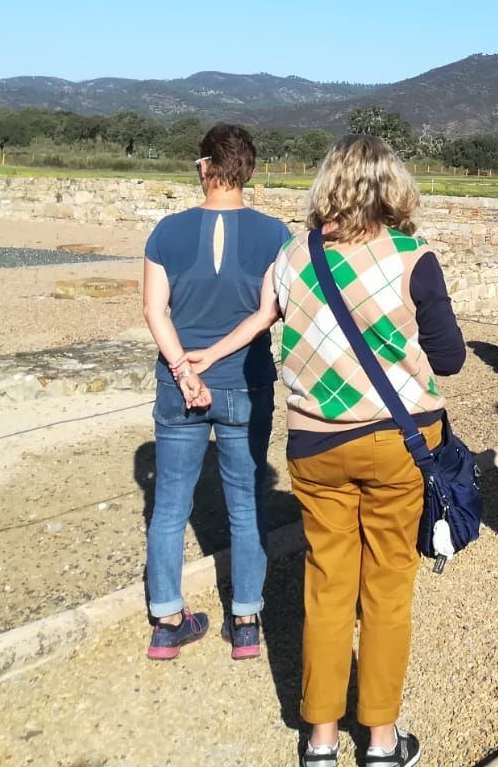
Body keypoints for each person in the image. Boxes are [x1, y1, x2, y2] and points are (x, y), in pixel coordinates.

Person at [273, 135, 466, 767]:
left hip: (314, 443)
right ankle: (382, 741)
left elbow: (268, 322)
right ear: (396, 188)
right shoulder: (414, 257)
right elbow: (451, 360)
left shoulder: (293, 255)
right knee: (386, 591)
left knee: (327, 588)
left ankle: (320, 740)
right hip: (397, 443)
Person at [141, 123, 289, 660]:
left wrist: (184, 367)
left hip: (177, 388)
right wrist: (218, 354)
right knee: (246, 503)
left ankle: (166, 620)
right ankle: (246, 619)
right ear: (248, 171)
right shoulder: (276, 234)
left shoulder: (165, 232)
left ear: (204, 168)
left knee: (168, 508)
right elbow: (268, 312)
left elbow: (154, 310)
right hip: (243, 383)